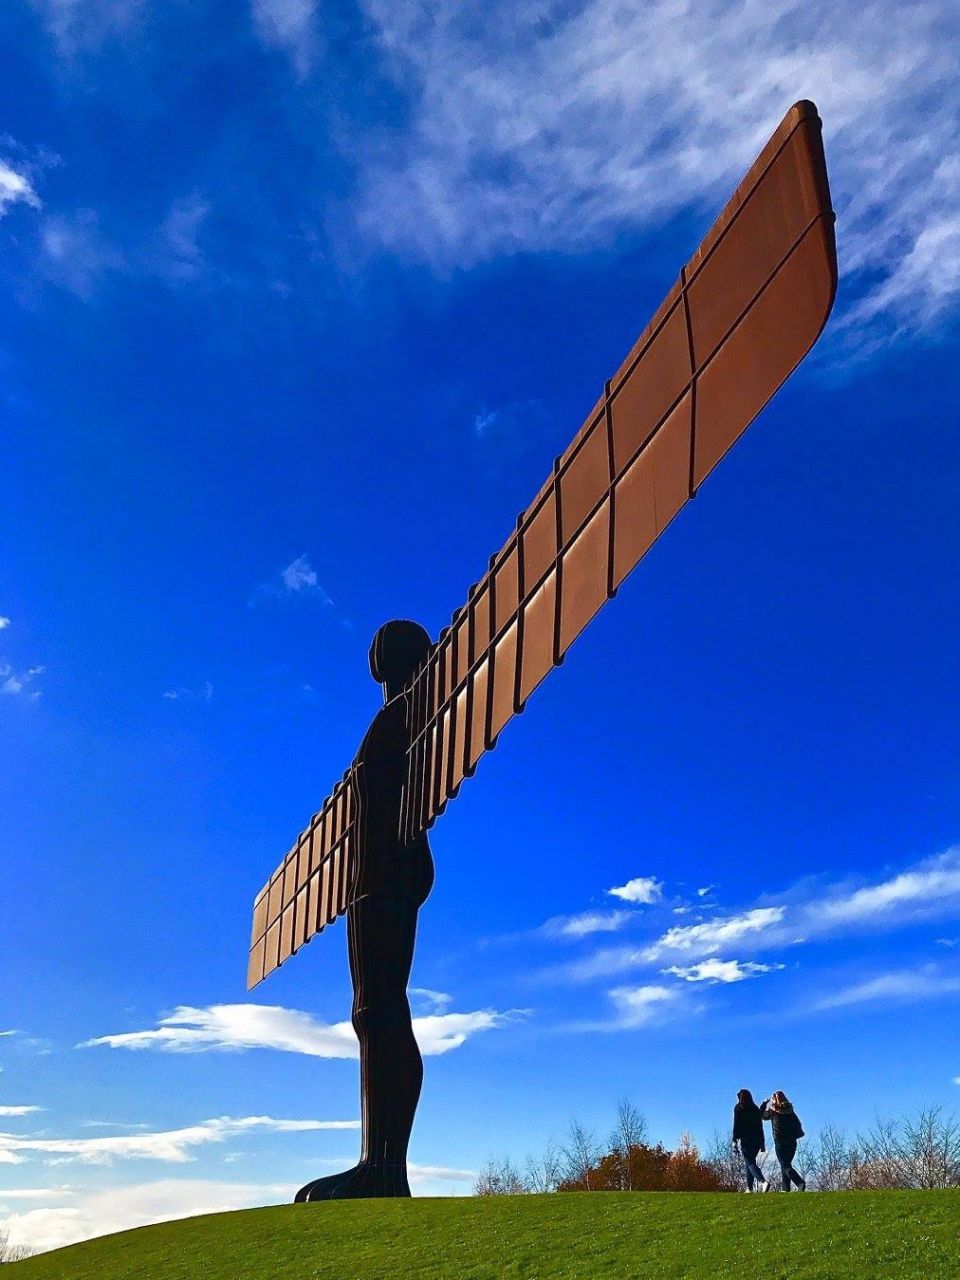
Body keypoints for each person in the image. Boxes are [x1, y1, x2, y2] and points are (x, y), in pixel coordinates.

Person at [296, 620, 435, 1201]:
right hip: (368, 881)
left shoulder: (412, 714)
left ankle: (384, 1166)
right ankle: (374, 1160)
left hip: (388, 874)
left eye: (388, 643)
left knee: (382, 1009)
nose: (375, 650)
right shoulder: (389, 718)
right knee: (369, 1012)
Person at [760, 1090, 806, 1191]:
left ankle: (800, 1182)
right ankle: (785, 1188)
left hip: (780, 1141)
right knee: (786, 1164)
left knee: (785, 1165)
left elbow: (762, 1115)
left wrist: (764, 1104)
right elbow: (797, 1124)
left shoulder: (773, 1111)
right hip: (792, 1142)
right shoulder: (790, 1111)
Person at [732, 1088, 768, 1192]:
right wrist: (762, 1143)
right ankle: (749, 1188)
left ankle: (763, 1181)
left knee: (750, 1162)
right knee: (750, 1162)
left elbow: (736, 1124)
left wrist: (734, 1140)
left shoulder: (739, 1108)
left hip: (746, 1139)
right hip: (756, 1140)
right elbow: (760, 1126)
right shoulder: (755, 1108)